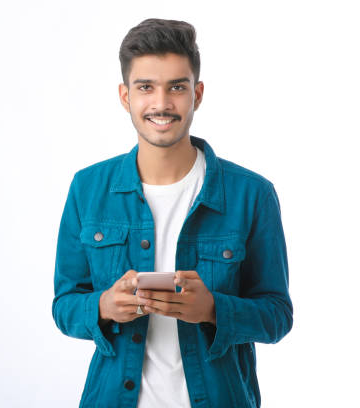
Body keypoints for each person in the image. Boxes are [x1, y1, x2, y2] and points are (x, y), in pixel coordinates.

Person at [52, 18, 292, 408]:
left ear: (197, 94)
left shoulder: (253, 194)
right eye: (146, 87)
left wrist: (213, 309)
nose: (161, 103)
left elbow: (277, 315)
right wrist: (104, 306)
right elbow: (64, 305)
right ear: (125, 96)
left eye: (176, 87)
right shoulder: (88, 188)